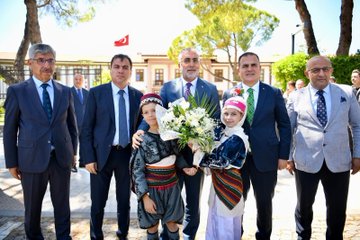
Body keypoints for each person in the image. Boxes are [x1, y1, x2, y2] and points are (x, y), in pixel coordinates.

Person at [133, 48, 221, 240]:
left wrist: (203, 147)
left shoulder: (211, 89)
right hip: (170, 157)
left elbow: (216, 122)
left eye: (195, 60)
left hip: (196, 158)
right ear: (180, 64)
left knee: (192, 201)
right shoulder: (168, 88)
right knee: (170, 200)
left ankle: (189, 236)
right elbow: (155, 113)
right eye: (187, 60)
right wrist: (140, 131)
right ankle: (168, 235)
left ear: (199, 63)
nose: (191, 64)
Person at [3, 43, 78, 239]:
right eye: (41, 60)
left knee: (63, 206)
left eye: (50, 60)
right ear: (30, 63)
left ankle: (64, 236)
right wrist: (11, 162)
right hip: (31, 160)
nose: (46, 65)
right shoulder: (17, 91)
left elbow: (71, 126)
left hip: (61, 158)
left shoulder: (65, 91)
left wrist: (73, 153)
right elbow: (10, 130)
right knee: (32, 209)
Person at [286, 56, 360, 239]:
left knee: (337, 209)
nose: (321, 73)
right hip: (305, 161)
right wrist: (288, 157)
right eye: (315, 70)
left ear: (331, 71)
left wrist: (357, 154)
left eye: (325, 69)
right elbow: (288, 129)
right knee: (303, 207)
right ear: (307, 73)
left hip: (339, 161)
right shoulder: (296, 96)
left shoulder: (347, 93)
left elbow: (357, 125)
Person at [222, 52, 291, 239]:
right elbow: (223, 125)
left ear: (260, 68)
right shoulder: (230, 93)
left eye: (254, 65)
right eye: (245, 66)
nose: (250, 69)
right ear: (238, 70)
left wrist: (284, 156)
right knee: (236, 202)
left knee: (264, 203)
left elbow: (284, 124)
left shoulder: (274, 92)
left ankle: (264, 236)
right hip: (237, 160)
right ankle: (237, 234)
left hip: (266, 157)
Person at [80, 54, 143, 240]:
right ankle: (95, 235)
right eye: (117, 66)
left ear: (130, 71)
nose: (121, 70)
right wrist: (87, 158)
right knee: (98, 202)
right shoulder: (96, 93)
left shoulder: (137, 96)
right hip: (100, 156)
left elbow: (142, 124)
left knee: (124, 201)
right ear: (111, 69)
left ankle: (123, 233)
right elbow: (86, 128)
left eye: (125, 67)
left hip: (126, 155)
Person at [130, 93, 193, 240]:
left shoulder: (171, 135)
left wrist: (185, 167)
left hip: (171, 188)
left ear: (161, 110)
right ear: (142, 116)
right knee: (152, 226)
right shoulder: (141, 140)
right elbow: (137, 171)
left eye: (154, 110)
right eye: (146, 112)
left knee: (172, 224)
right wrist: (144, 197)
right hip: (151, 191)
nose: (150, 115)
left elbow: (176, 156)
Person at [199, 96, 249, 240]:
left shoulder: (238, 137)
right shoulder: (223, 132)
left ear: (242, 116)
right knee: (216, 216)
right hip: (218, 182)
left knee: (226, 220)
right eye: (226, 113)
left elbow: (219, 160)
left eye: (234, 114)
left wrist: (197, 153)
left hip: (229, 183)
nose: (228, 117)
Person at [71, 73, 89, 172]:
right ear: (73, 80)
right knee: (73, 144)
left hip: (84, 123)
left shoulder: (87, 93)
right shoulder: (69, 92)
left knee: (84, 143)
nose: (78, 81)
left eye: (80, 79)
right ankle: (72, 164)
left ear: (83, 80)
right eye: (76, 79)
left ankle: (82, 162)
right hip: (72, 123)